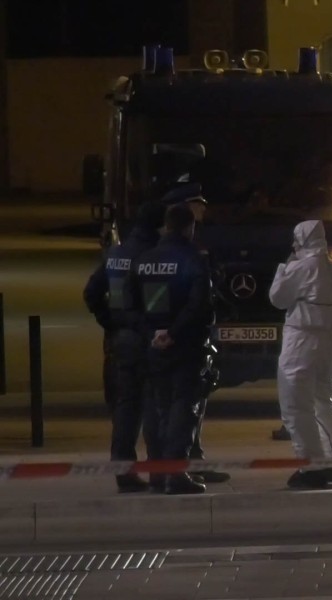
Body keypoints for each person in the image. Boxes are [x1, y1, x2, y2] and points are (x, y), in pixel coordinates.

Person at [125, 202, 214, 495]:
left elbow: (129, 306)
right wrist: (173, 333)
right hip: (185, 346)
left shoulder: (142, 260)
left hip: (152, 347)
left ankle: (156, 473)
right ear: (189, 228)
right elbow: (199, 305)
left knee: (155, 408)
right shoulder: (193, 260)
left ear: (166, 226)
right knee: (182, 409)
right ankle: (175, 475)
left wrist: (153, 333)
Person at [83, 201, 166, 493]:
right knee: (155, 407)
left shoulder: (116, 253)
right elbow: (156, 304)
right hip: (146, 338)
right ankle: (159, 472)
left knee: (125, 409)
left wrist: (110, 321)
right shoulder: (152, 255)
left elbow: (92, 292)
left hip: (119, 340)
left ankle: (123, 471)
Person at [269, 220, 332, 489]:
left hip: (302, 343)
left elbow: (277, 298)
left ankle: (311, 467)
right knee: (322, 399)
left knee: (296, 406)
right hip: (331, 342)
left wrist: (283, 268)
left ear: (301, 241)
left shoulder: (301, 268)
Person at [161, 183, 230, 484]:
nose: (203, 209)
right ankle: (180, 465)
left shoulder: (194, 242)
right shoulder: (184, 249)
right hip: (185, 336)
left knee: (194, 402)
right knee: (183, 404)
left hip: (184, 334)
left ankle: (191, 458)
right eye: (197, 204)